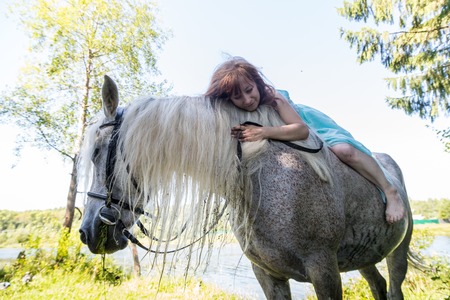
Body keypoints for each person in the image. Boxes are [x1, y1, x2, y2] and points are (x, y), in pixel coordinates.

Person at [205, 56, 405, 224]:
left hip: (306, 123)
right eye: (238, 97)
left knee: (345, 151)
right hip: (277, 132)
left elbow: (302, 131)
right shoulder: (229, 109)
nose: (247, 100)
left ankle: (390, 191)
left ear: (256, 84)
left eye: (249, 90)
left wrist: (264, 132)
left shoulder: (273, 97)